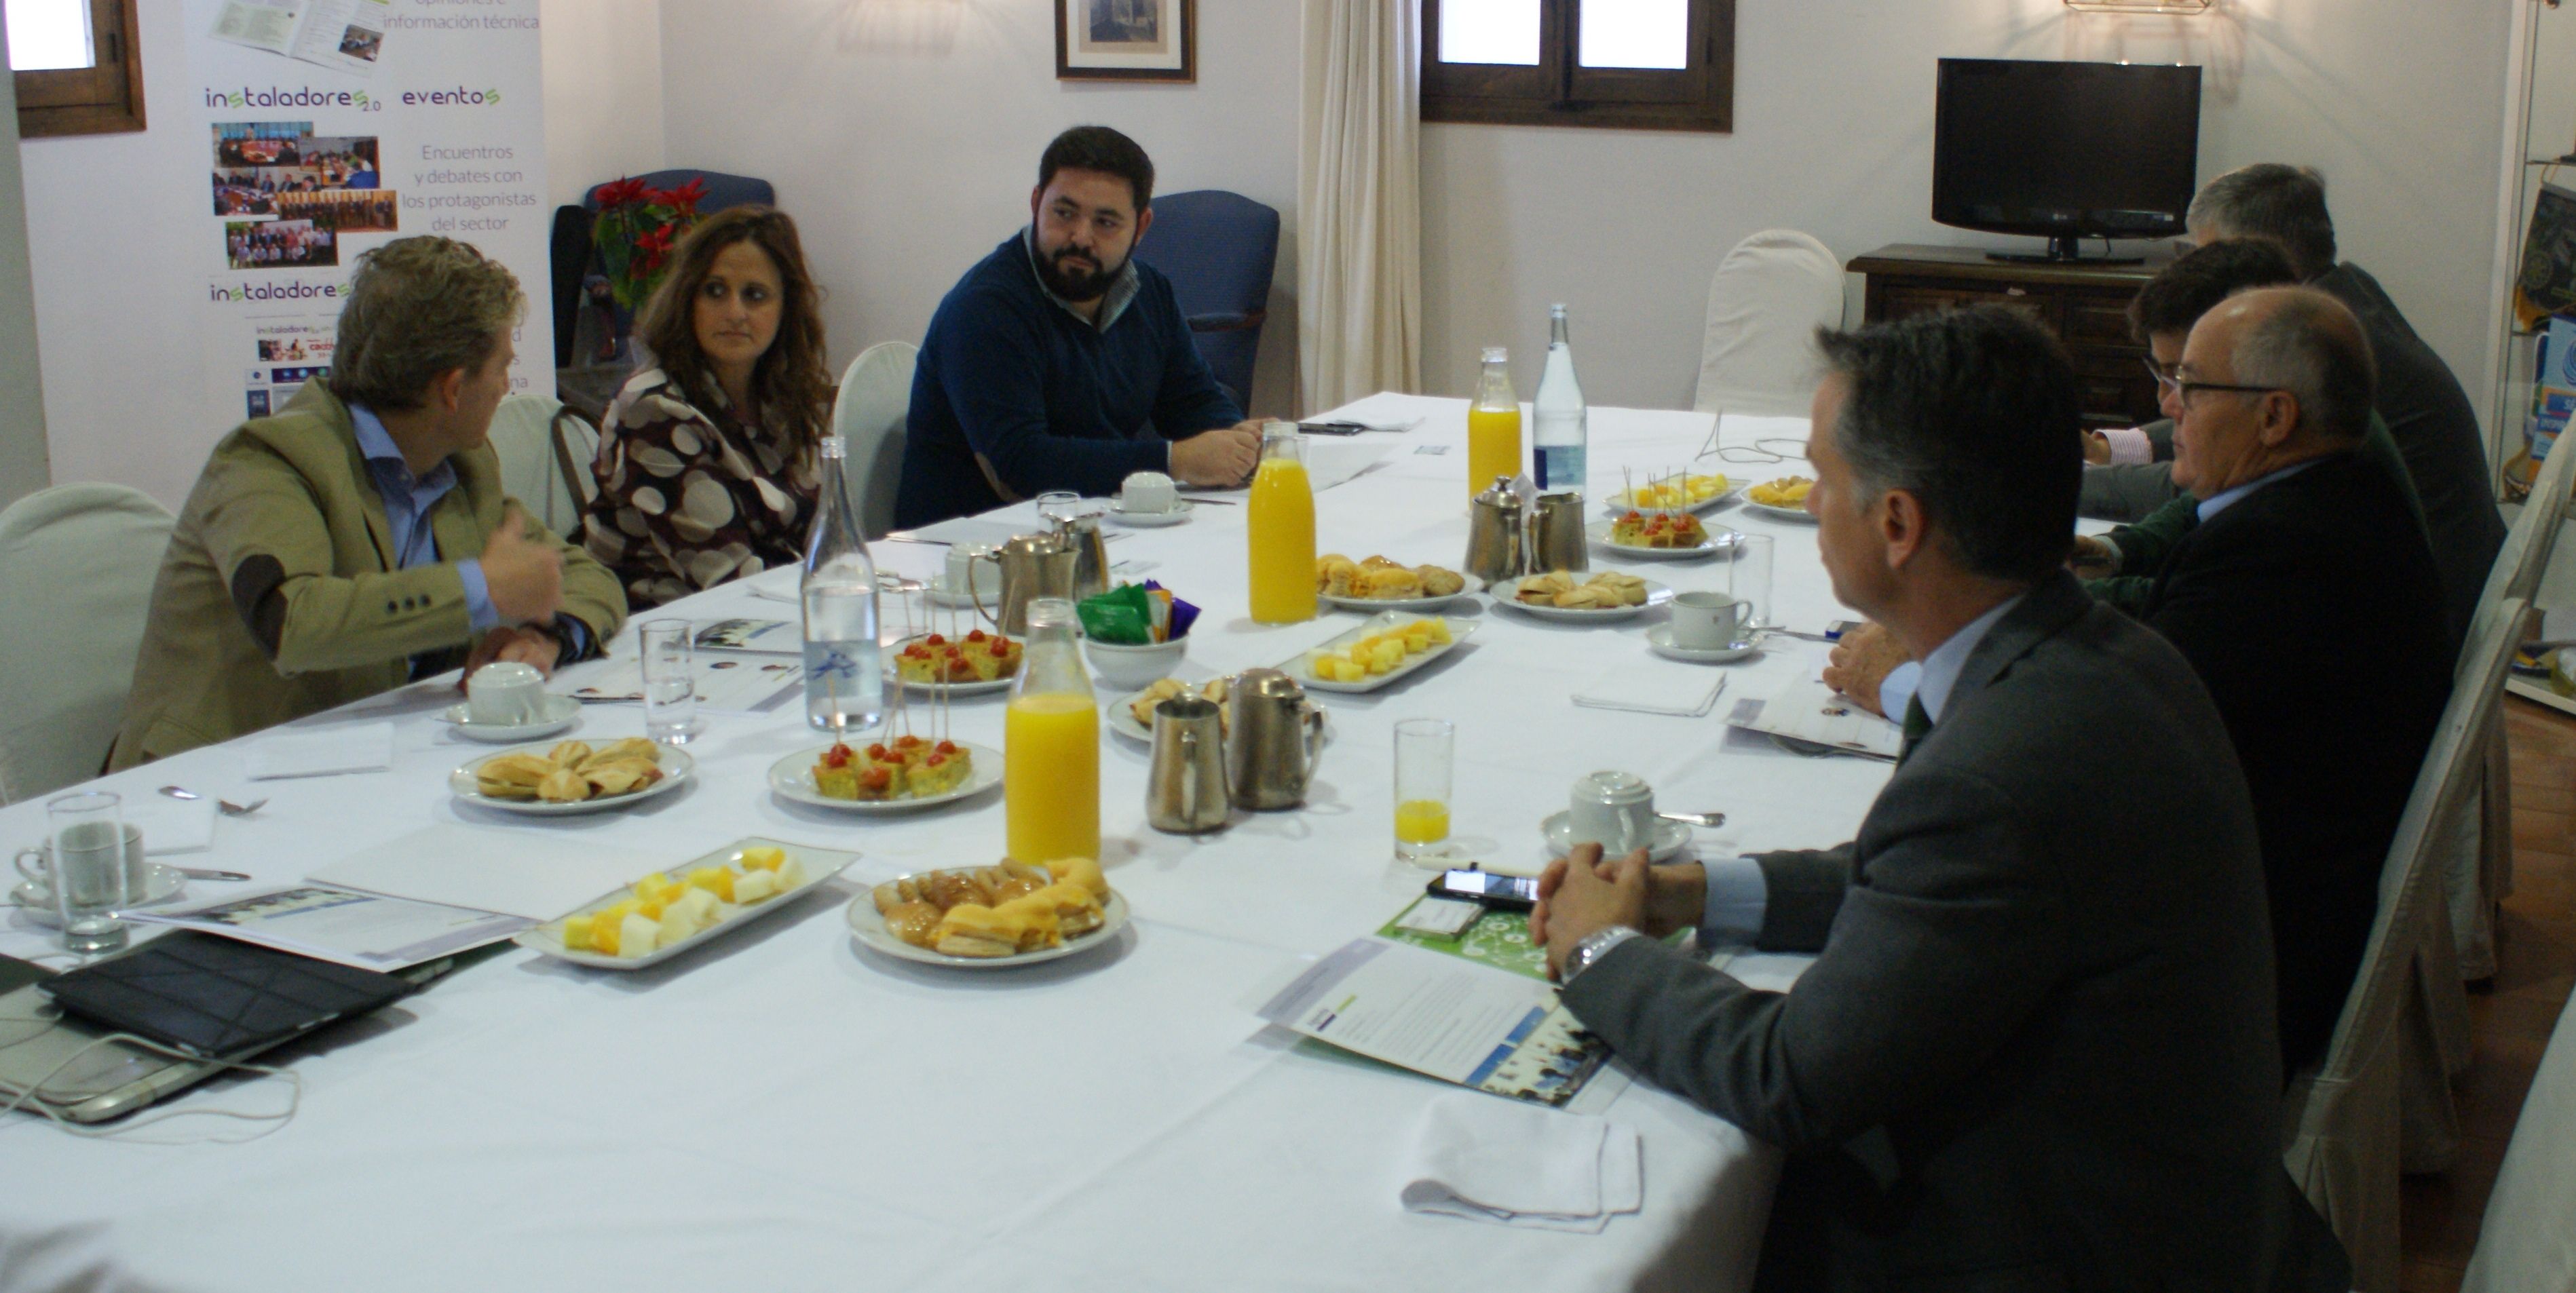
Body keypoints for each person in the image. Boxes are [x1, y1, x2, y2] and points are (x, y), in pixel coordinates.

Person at [1531, 306, 2349, 1290]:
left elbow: (1792, 1076)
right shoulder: (2106, 653)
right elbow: (1925, 888)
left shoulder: (1998, 773)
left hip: (2065, 1249)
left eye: (1822, 479)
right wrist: (1699, 891)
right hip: (2180, 1209)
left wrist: (1601, 951)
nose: (1812, 503)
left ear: (1898, 524)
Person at [109, 237, 624, 769]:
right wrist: (480, 589)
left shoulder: (463, 467)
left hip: (369, 764)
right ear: (452, 389)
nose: (505, 387)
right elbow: (295, 624)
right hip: (205, 782)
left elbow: (584, 577)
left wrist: (543, 637)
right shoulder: (267, 460)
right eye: (502, 368)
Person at [2136, 287, 2453, 1073]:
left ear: (2274, 417)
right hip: (2271, 899)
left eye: (2190, 386)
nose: (2169, 406)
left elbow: (2123, 730)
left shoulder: (2279, 551)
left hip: (2234, 970)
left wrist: (1927, 673)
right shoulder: (2332, 499)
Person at [2189, 163, 2504, 638]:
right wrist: (2120, 446)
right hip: (2438, 585)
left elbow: (2216, 457)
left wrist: (2100, 467)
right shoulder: (2347, 302)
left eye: (2208, 260)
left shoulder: (2316, 343)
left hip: (2414, 620)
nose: (2199, 282)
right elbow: (2221, 413)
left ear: (2258, 256)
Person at [893, 126, 1264, 528]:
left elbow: (1192, 403)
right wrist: (1173, 461)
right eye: (1064, 213)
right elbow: (1021, 463)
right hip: (969, 545)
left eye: (1106, 222)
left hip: (1091, 528)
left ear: (1141, 227)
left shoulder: (1150, 292)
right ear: (1036, 204)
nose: (1081, 238)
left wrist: (1242, 440)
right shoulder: (985, 307)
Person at [583, 206, 833, 610]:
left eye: (755, 295)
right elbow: (730, 580)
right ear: (688, 299)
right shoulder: (653, 412)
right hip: (665, 629)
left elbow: (825, 540)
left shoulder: (785, 396)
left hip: (769, 616)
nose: (735, 312)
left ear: (785, 308)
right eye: (715, 291)